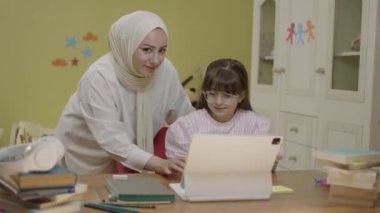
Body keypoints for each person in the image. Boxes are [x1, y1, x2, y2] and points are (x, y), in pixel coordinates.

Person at [54, 11, 194, 175]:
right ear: (127, 45)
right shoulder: (98, 77)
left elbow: (186, 120)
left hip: (125, 161)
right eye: (147, 50)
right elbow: (112, 139)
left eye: (162, 50)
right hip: (83, 160)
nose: (156, 60)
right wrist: (160, 164)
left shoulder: (166, 71)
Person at [165, 58, 283, 172]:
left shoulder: (257, 126)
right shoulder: (187, 126)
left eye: (227, 96)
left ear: (241, 96)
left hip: (244, 188)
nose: (218, 102)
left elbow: (269, 164)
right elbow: (179, 170)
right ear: (204, 93)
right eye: (212, 94)